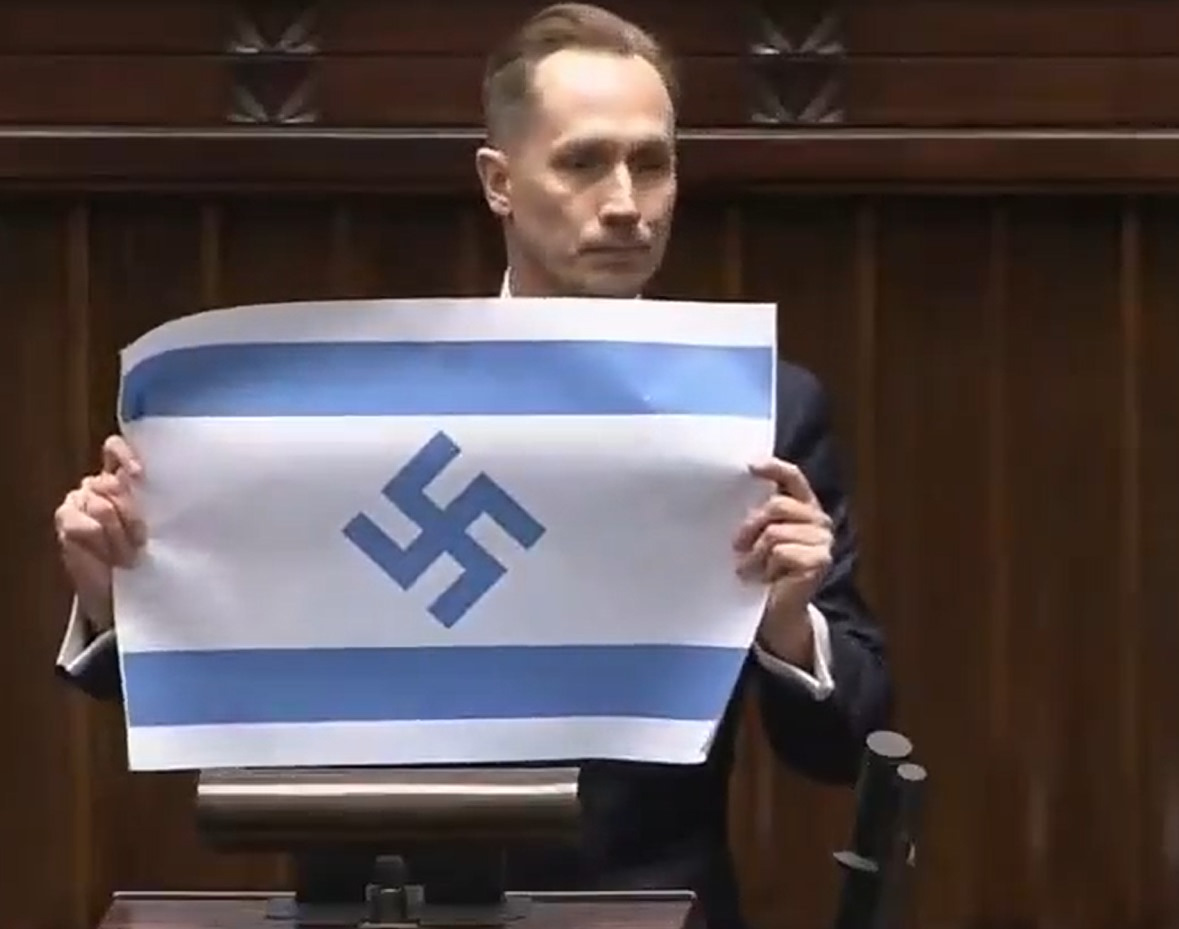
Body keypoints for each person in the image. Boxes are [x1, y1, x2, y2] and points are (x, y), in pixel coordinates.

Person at [53, 4, 892, 927]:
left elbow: (843, 739)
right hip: (366, 903)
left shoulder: (761, 413)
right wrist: (112, 592)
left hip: (642, 901)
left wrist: (785, 622)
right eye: (582, 162)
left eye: (650, 163)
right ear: (499, 180)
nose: (625, 202)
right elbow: (225, 644)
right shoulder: (333, 405)